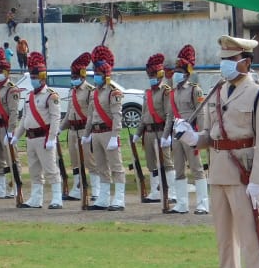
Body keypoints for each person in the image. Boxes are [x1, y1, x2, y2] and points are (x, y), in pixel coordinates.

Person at [175, 34, 259, 268]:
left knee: (252, 241)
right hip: (219, 171)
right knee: (225, 243)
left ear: (245, 61)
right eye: (223, 60)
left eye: (231, 60)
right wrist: (194, 138)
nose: (225, 65)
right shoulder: (218, 91)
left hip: (245, 174)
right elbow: (213, 136)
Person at [13, 52, 63, 209]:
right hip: (30, 137)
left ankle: (57, 198)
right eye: (32, 77)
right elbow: (24, 119)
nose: (33, 80)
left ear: (42, 77)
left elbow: (56, 118)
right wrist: (16, 136)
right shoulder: (29, 96)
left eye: (35, 77)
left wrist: (51, 138)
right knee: (34, 170)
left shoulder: (50, 96)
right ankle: (36, 199)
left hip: (44, 137)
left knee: (50, 169)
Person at [82, 45, 127, 211]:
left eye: (99, 75)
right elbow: (90, 116)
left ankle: (119, 199)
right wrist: (86, 135)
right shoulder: (94, 92)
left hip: (109, 133)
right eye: (95, 74)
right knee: (101, 167)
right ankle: (104, 198)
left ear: (106, 76)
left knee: (116, 166)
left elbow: (117, 115)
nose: (96, 77)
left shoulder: (113, 93)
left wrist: (116, 135)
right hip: (96, 133)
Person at [169, 45, 210, 214]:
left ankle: (202, 203)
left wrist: (200, 135)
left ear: (187, 73)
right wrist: (167, 135)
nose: (176, 73)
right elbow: (170, 115)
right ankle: (181, 203)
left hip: (191, 134)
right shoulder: (173, 92)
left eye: (179, 70)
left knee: (197, 168)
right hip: (177, 134)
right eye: (175, 70)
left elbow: (201, 114)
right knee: (178, 168)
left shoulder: (195, 90)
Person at [135, 53, 175, 206]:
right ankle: (155, 191)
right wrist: (138, 134)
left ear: (159, 75)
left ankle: (171, 191)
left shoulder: (165, 91)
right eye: (149, 75)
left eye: (153, 75)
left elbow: (169, 115)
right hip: (149, 132)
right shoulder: (147, 93)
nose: (151, 78)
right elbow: (144, 115)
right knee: (151, 163)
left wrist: (166, 135)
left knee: (166, 162)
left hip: (161, 131)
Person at [63, 53, 99, 202]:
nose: (73, 78)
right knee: (75, 161)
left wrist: (89, 132)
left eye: (76, 76)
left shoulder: (90, 91)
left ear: (83, 75)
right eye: (72, 76)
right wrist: (60, 128)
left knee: (90, 161)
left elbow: (92, 114)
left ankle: (96, 190)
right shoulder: (72, 91)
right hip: (72, 130)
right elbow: (69, 113)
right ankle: (78, 188)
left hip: (85, 129)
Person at [0, 48, 21, 200]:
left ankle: (15, 185)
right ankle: (0, 187)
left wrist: (11, 131)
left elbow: (14, 112)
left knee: (11, 158)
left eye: (0, 71)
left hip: (6, 127)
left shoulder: (12, 90)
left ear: (7, 73)